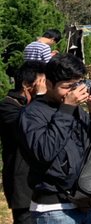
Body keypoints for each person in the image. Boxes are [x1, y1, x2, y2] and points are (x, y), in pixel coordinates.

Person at [19, 53, 91, 224]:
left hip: (83, 202)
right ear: (49, 83)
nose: (74, 92)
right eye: (68, 86)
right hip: (53, 209)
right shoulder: (32, 114)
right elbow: (44, 153)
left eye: (77, 85)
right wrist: (67, 109)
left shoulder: (76, 110)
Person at [0, 61, 47, 224]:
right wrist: (40, 99)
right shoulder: (7, 106)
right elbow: (26, 127)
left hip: (43, 184)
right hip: (22, 185)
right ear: (27, 85)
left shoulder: (33, 105)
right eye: (42, 83)